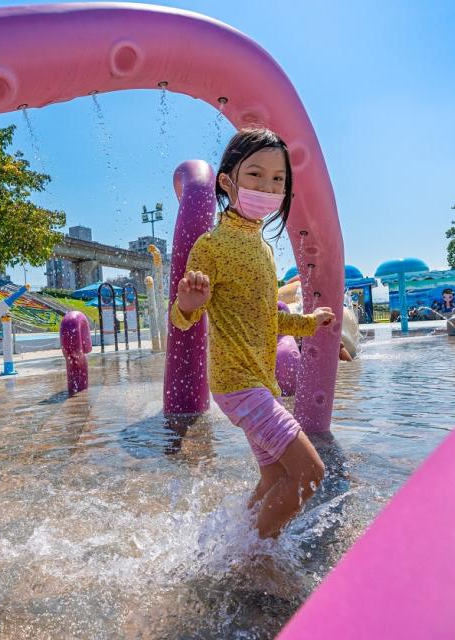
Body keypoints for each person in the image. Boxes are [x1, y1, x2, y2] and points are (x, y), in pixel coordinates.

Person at [171, 128, 335, 539]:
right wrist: (189, 304)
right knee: (310, 474)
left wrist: (308, 324)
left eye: (278, 180)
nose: (268, 187)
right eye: (256, 176)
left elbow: (266, 319)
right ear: (227, 182)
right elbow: (180, 318)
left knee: (276, 475)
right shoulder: (211, 245)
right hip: (238, 383)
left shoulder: (263, 249)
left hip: (257, 383)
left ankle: (235, 543)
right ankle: (256, 561)